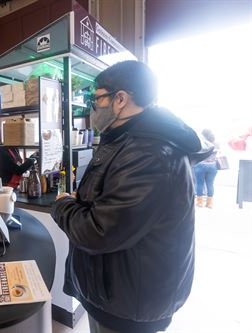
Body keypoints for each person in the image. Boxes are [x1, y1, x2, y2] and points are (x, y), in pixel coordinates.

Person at [51, 61, 207, 333]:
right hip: (112, 292)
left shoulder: (149, 154)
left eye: (96, 98)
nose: (93, 107)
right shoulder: (126, 141)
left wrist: (63, 204)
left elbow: (99, 231)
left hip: (128, 305)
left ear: (120, 99)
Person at [194, 129, 218, 208]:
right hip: (212, 166)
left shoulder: (201, 143)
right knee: (210, 184)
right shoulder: (216, 144)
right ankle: (209, 203)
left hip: (200, 165)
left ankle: (200, 202)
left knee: (199, 184)